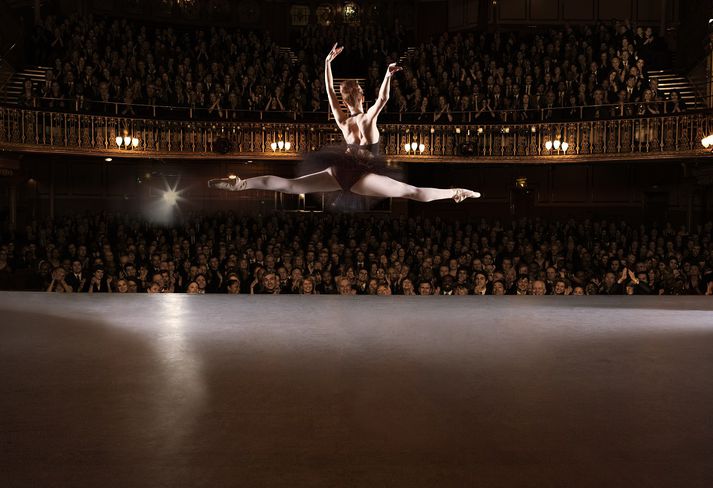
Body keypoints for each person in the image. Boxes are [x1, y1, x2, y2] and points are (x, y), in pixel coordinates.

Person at [208, 44, 481, 206]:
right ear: (362, 96)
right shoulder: (368, 117)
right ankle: (456, 192)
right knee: (413, 192)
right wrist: (387, 75)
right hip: (363, 177)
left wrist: (327, 62)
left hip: (339, 171)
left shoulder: (343, 120)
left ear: (345, 99)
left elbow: (328, 89)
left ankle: (241, 184)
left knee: (290, 186)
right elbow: (384, 98)